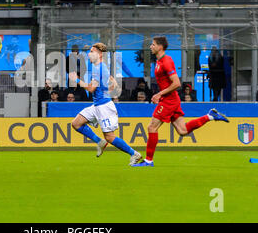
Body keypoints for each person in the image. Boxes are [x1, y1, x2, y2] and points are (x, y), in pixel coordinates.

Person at [133, 36, 229, 167]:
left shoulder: (166, 61)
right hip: (170, 100)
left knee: (152, 127)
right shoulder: (159, 61)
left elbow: (176, 83)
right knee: (183, 131)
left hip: (169, 101)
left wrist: (159, 94)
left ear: (160, 47)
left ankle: (149, 160)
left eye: (153, 44)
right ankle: (210, 116)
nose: (151, 47)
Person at [69, 42, 143, 165]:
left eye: (92, 51)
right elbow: (112, 82)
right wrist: (111, 85)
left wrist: (75, 79)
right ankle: (99, 141)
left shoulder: (99, 68)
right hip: (97, 105)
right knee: (76, 123)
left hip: (104, 107)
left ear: (99, 54)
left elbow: (91, 89)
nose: (89, 53)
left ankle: (134, 154)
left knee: (109, 137)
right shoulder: (100, 66)